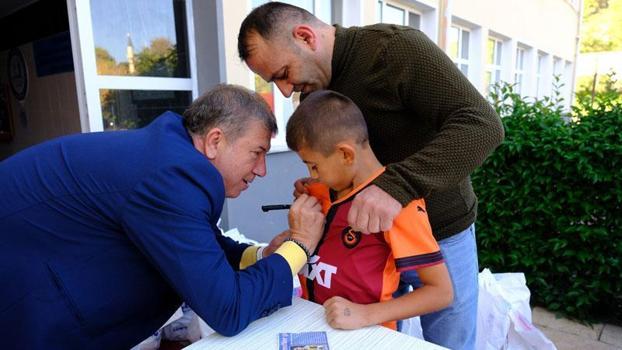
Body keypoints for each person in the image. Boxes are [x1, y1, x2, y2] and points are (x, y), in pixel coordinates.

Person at [238, 3, 504, 349]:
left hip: (439, 231)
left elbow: (483, 126)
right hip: (368, 246)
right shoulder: (313, 91)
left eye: (283, 73)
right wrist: (322, 186)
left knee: (449, 344)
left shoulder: (394, 50)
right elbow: (352, 165)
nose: (287, 91)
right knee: (379, 338)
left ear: (305, 37)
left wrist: (396, 186)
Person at [0, 84, 325, 349]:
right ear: (215, 141)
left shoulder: (171, 157)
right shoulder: (171, 177)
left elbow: (200, 240)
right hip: (23, 300)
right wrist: (300, 245)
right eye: (257, 153)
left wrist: (262, 255)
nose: (262, 170)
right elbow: (228, 309)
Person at [286, 90, 453, 331]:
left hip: (367, 334)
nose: (313, 175)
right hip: (312, 324)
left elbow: (440, 292)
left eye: (314, 166)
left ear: (345, 154)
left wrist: (365, 314)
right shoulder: (319, 190)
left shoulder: (396, 204)